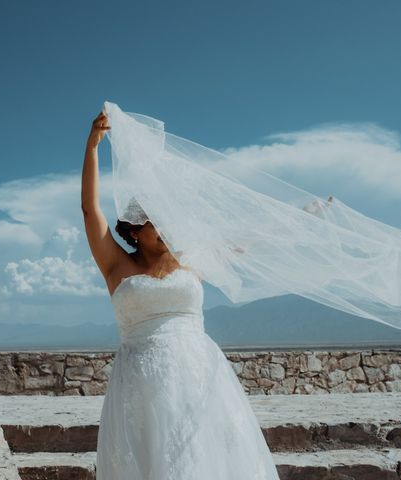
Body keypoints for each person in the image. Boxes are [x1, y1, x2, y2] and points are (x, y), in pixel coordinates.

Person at [82, 112, 280, 479]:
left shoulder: (193, 259)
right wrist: (92, 146)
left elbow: (244, 244)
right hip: (139, 385)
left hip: (197, 373)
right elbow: (90, 210)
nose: (166, 228)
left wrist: (295, 220)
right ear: (134, 231)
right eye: (154, 222)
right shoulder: (116, 266)